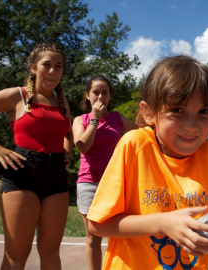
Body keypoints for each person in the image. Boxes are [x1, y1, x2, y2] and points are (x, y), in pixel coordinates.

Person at [85, 55, 208, 270]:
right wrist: (163, 223)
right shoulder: (135, 145)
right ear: (148, 112)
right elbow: (98, 224)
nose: (192, 125)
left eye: (204, 112)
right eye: (177, 110)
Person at [0, 43, 73, 269]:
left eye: (58, 66)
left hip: (56, 176)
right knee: (17, 255)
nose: (52, 71)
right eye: (46, 65)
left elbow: (67, 131)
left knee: (51, 253)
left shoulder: (62, 102)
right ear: (32, 68)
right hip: (22, 174)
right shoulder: (17, 95)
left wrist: (66, 150)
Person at [72, 75, 134, 270]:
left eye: (105, 93)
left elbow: (140, 135)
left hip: (115, 183)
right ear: (87, 96)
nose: (100, 97)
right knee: (93, 236)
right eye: (96, 92)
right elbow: (82, 146)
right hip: (88, 183)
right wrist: (95, 120)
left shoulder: (117, 118)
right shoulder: (79, 120)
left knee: (122, 233)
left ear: (110, 96)